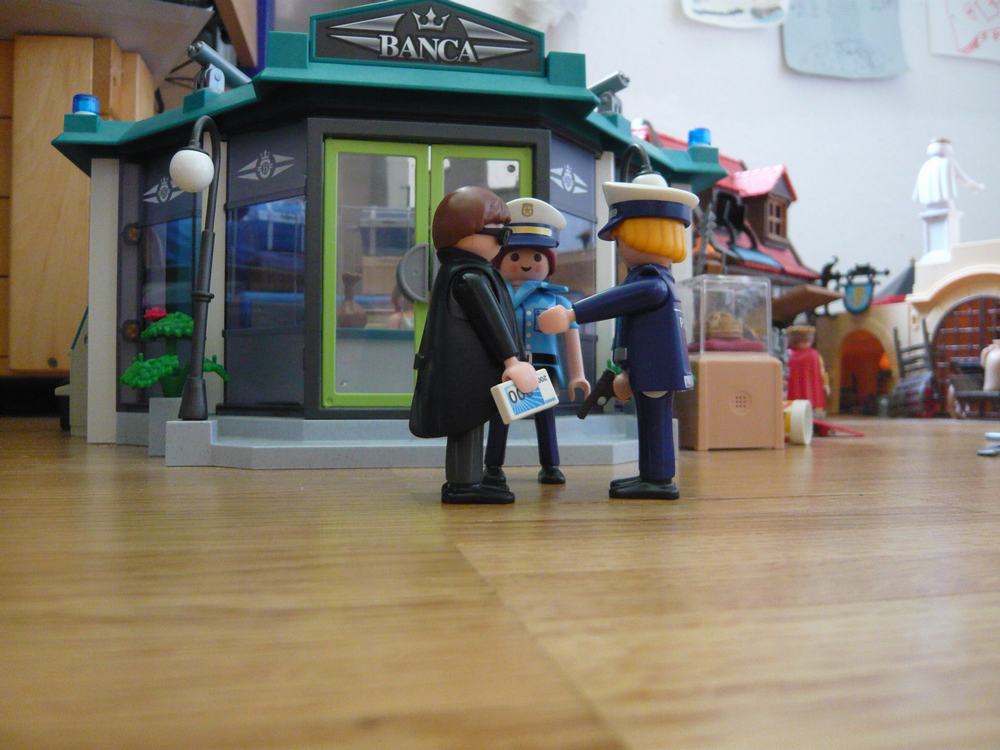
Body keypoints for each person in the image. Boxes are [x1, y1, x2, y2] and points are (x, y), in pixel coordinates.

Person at [538, 172, 696, 499]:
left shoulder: (652, 283)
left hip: (656, 369)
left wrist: (571, 314)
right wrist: (623, 369)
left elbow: (614, 302)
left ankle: (658, 478)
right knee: (649, 420)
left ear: (645, 237)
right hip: (649, 368)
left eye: (622, 240)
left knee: (655, 423)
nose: (620, 250)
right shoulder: (647, 280)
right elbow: (631, 323)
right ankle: (651, 475)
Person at [409, 186, 538, 504]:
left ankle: (467, 479)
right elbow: (491, 322)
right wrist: (512, 361)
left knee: (470, 425)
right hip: (466, 372)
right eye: (500, 234)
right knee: (466, 426)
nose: (503, 242)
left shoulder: (465, 272)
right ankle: (463, 484)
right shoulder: (469, 277)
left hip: (469, 369)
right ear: (463, 234)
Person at [483, 198, 591, 488]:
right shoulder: (494, 296)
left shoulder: (557, 300)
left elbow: (571, 335)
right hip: (506, 369)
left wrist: (578, 374)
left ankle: (550, 465)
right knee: (500, 417)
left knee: (546, 418)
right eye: (515, 256)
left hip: (544, 369)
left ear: (549, 262)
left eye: (537, 257)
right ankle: (492, 467)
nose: (527, 263)